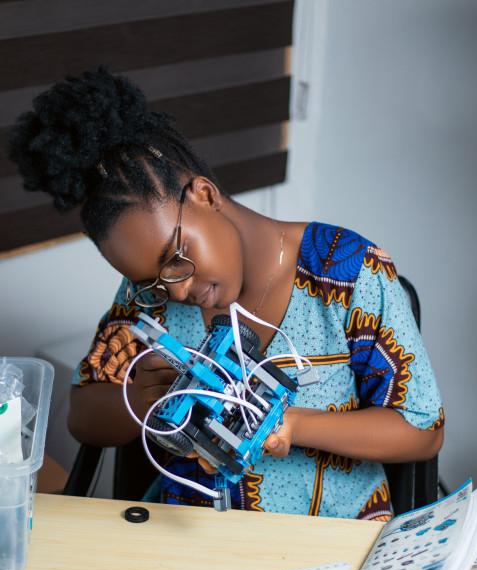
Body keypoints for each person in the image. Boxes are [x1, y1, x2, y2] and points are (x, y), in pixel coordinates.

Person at [9, 67, 444, 518]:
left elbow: (422, 429)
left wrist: (292, 424)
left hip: (331, 546)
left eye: (176, 255)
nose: (176, 290)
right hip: (189, 540)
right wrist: (136, 400)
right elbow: (82, 416)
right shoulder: (152, 295)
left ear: (205, 195)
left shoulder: (346, 269)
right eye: (151, 282)